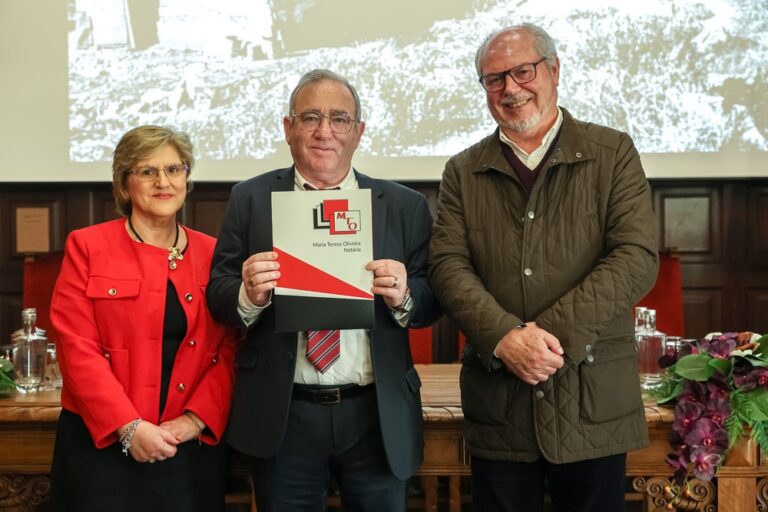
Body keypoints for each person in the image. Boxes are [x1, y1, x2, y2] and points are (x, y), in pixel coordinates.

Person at [429, 24, 659, 512]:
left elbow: (635, 258)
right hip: (500, 406)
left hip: (592, 401)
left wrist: (546, 337)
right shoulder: (461, 170)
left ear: (553, 71)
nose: (511, 88)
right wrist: (506, 338)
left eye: (523, 71)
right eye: (495, 79)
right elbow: (448, 268)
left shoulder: (612, 153)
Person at [207, 68, 440, 512]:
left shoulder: (405, 206)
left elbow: (433, 300)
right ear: (288, 129)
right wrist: (248, 295)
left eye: (339, 119)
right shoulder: (250, 199)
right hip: (284, 412)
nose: (324, 131)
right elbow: (218, 293)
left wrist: (404, 296)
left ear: (359, 132)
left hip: (375, 413)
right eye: (310, 117)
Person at [49, 125, 238, 511]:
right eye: (147, 171)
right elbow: (76, 348)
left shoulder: (214, 253)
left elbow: (232, 348)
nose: (163, 181)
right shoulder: (87, 246)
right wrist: (128, 427)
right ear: (123, 185)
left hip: (187, 450)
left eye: (174, 169)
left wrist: (194, 421)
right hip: (101, 447)